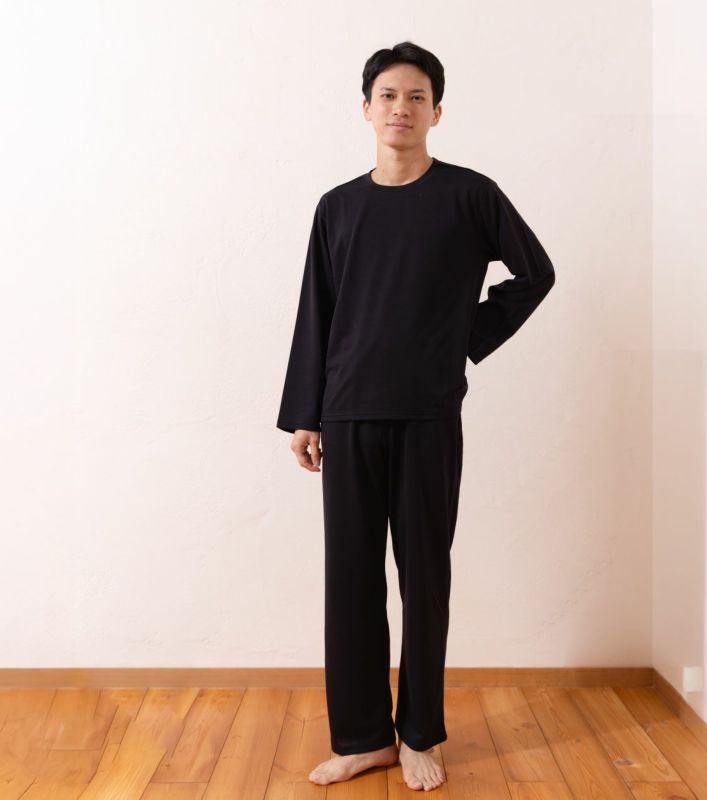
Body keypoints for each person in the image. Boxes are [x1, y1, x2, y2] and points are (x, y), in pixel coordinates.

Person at [276, 41, 556, 791]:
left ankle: (420, 733)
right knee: (352, 580)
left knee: (424, 578)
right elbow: (317, 312)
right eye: (389, 96)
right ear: (367, 109)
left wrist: (462, 337)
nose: (401, 108)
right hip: (348, 413)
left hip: (429, 414)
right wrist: (306, 414)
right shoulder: (338, 207)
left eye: (417, 97)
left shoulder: (470, 195)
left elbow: (535, 273)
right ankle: (364, 737)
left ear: (437, 111)